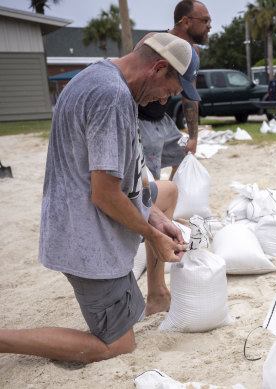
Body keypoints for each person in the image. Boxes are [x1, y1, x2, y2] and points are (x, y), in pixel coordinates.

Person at [0, 33, 198, 363]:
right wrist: (152, 237)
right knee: (117, 345)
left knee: (132, 311)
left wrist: (157, 219)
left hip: (86, 231)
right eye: (170, 91)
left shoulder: (101, 76)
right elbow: (105, 194)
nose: (164, 101)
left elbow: (128, 176)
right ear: (159, 67)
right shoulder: (113, 97)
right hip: (87, 241)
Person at [137, 0, 211, 180]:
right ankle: (153, 205)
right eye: (205, 21)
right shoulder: (154, 42)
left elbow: (189, 97)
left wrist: (193, 137)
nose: (210, 26)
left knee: (184, 156)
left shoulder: (193, 52)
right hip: (140, 120)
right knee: (149, 178)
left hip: (162, 119)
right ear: (186, 21)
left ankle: (168, 199)